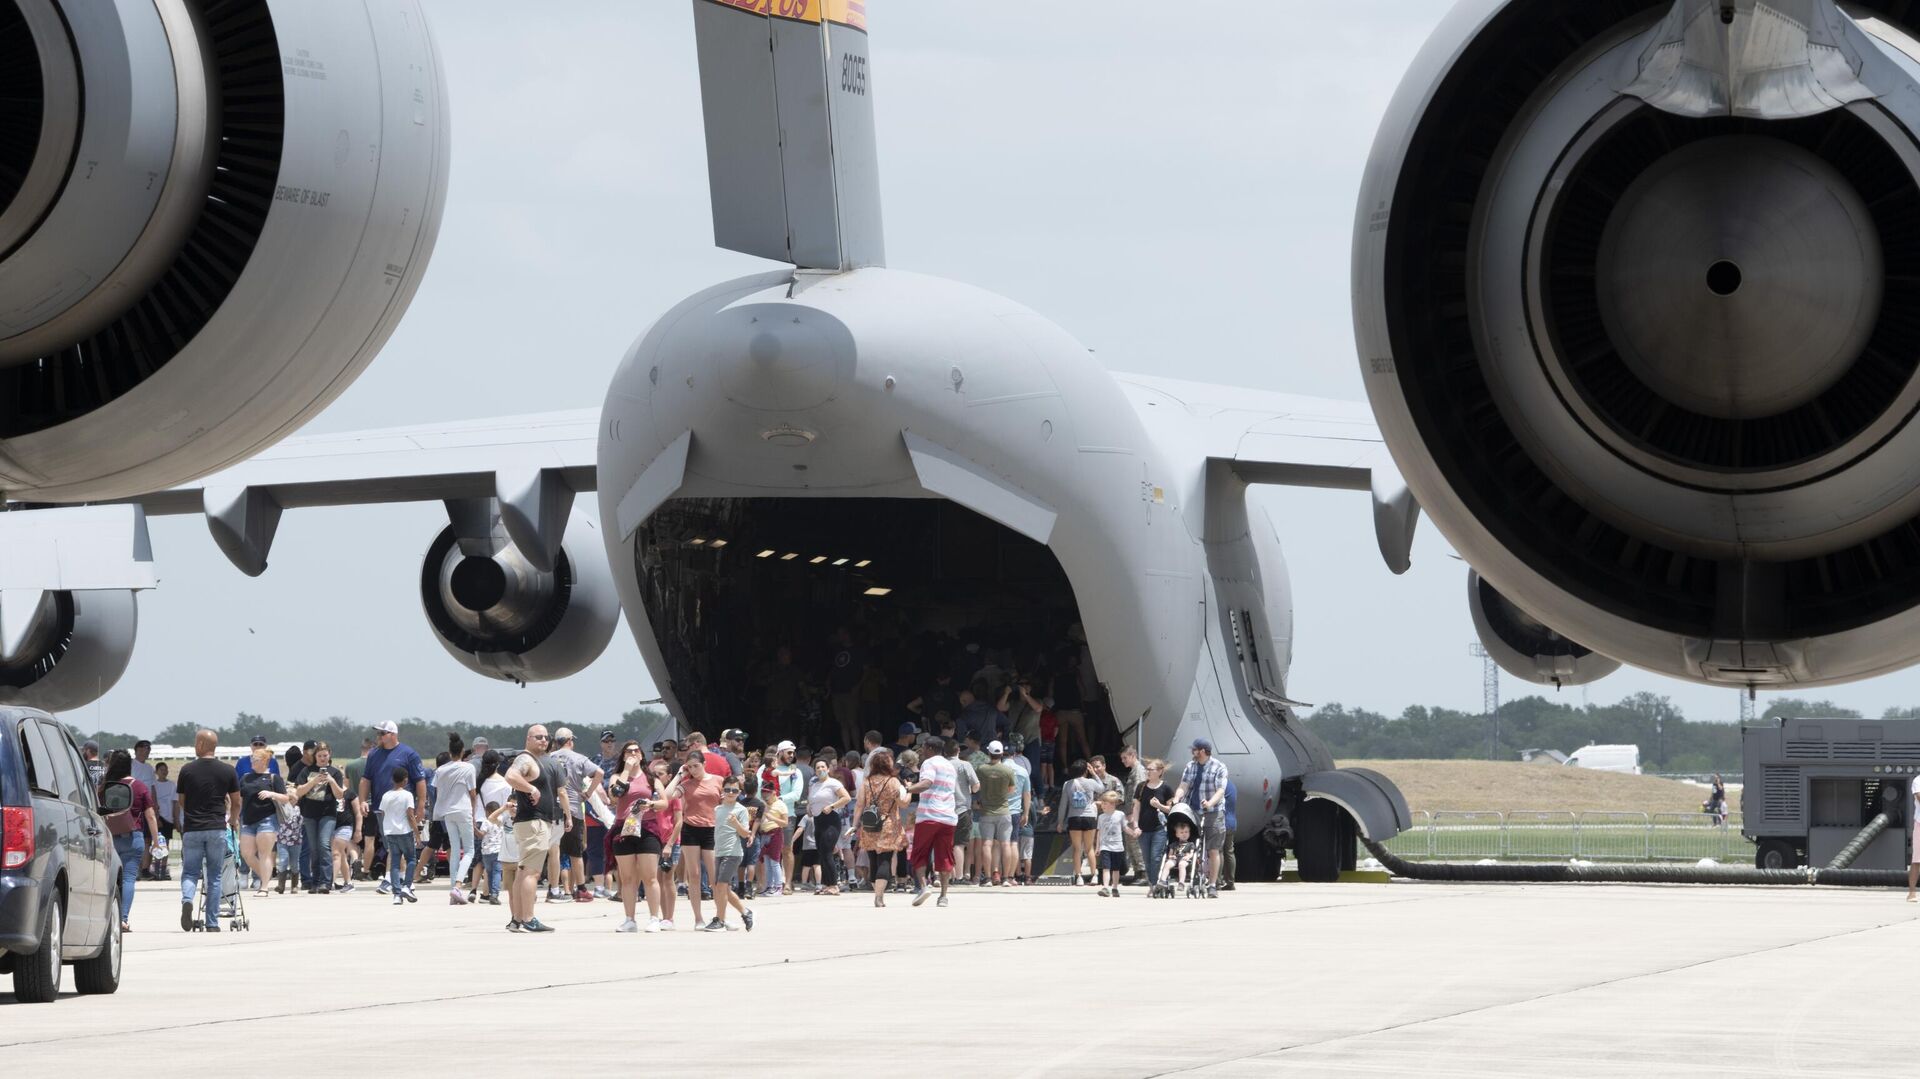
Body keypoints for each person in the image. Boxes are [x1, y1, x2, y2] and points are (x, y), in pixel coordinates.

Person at [503, 724, 566, 933]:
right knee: (532, 873)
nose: (543, 740)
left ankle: (518, 918)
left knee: (523, 872)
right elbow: (511, 776)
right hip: (534, 822)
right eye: (538, 737)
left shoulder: (534, 760)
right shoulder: (526, 759)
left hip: (529, 822)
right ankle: (528, 918)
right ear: (528, 738)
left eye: (546, 737)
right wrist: (531, 788)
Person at [176, 730, 241, 931]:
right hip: (216, 828)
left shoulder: (186, 770)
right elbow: (237, 801)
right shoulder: (228, 771)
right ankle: (212, 922)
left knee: (189, 872)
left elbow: (181, 801)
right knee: (215, 876)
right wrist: (232, 820)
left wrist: (192, 814)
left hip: (193, 828)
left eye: (196, 742)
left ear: (203, 744)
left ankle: (188, 899)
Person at [359, 721, 428, 895]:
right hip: (381, 808)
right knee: (391, 845)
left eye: (382, 734)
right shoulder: (374, 754)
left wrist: (421, 805)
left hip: (404, 808)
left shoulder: (408, 754)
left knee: (398, 844)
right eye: (378, 734)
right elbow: (366, 779)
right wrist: (362, 801)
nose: (379, 737)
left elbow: (420, 781)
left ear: (392, 734)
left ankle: (391, 879)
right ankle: (403, 880)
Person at [99, 750, 158, 932]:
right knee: (129, 879)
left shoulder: (104, 787)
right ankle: (123, 919)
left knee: (109, 880)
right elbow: (150, 816)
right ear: (129, 766)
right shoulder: (139, 786)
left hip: (109, 839)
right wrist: (156, 840)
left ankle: (108, 918)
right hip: (134, 837)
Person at [664, 751, 722, 928]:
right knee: (694, 875)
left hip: (712, 828)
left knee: (715, 877)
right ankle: (698, 918)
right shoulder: (686, 783)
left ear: (704, 763)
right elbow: (667, 795)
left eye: (696, 765)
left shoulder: (718, 780)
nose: (694, 770)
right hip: (691, 829)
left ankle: (720, 916)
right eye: (690, 766)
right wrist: (680, 774)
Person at [607, 741, 660, 931]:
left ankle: (654, 918)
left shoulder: (651, 778)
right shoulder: (616, 777)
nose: (633, 753)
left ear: (642, 754)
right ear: (623, 756)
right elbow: (614, 796)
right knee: (627, 878)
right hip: (625, 827)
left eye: (636, 750)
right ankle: (630, 919)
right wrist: (626, 771)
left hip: (647, 827)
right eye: (628, 751)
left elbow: (664, 801)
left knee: (650, 876)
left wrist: (651, 804)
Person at [1171, 738, 1229, 895]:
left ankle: (1212, 884)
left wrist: (1210, 803)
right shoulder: (1191, 766)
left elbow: (1221, 790)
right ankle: (1194, 877)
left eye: (1195, 749)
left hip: (1214, 812)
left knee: (1213, 849)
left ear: (1202, 751)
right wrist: (1177, 798)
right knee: (1193, 845)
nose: (1192, 752)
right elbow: (1184, 785)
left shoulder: (1219, 767)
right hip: (1194, 810)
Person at [906, 739, 960, 907]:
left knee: (919, 854)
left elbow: (927, 783)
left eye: (923, 747)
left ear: (929, 748)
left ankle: (923, 887)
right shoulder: (950, 766)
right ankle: (943, 896)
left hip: (929, 815)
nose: (921, 751)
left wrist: (908, 788)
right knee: (944, 857)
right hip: (948, 817)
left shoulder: (929, 763)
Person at [855, 747, 908, 907]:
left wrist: (854, 825)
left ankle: (877, 893)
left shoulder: (866, 782)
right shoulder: (893, 782)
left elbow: (859, 805)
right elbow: (904, 803)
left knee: (873, 860)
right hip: (888, 825)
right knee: (885, 860)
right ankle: (879, 896)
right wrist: (910, 790)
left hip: (869, 824)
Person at [291, 744, 346, 893]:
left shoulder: (335, 773)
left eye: (325, 755)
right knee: (313, 849)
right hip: (309, 813)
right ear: (315, 756)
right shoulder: (306, 771)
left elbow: (340, 795)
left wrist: (331, 781)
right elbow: (299, 791)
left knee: (323, 844)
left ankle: (326, 882)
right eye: (319, 756)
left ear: (329, 755)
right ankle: (315, 881)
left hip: (328, 813)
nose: (322, 758)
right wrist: (314, 781)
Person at [431, 735, 479, 904]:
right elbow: (473, 794)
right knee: (469, 851)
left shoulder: (441, 770)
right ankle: (458, 886)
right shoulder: (468, 768)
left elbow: (436, 789)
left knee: (454, 850)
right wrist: (473, 814)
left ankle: (453, 889)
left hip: (447, 812)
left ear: (450, 751)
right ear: (461, 751)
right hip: (463, 809)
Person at [238, 743, 291, 896]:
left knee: (264, 853)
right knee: (247, 853)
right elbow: (240, 797)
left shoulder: (273, 778)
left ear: (264, 761)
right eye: (252, 759)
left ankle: (264, 887)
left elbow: (286, 798)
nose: (252, 762)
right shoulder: (246, 778)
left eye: (255, 759)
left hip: (267, 820)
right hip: (248, 820)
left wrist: (271, 794)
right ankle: (266, 875)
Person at [708, 778, 755, 932]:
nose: (730, 793)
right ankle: (745, 912)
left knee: (721, 886)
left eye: (734, 790)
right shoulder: (718, 809)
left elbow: (745, 834)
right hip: (719, 852)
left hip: (732, 853)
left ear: (739, 793)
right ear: (722, 790)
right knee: (722, 888)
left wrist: (736, 824)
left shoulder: (741, 810)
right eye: (727, 789)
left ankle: (720, 920)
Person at [973, 741, 1017, 886]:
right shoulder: (1007, 771)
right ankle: (1006, 878)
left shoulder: (981, 769)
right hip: (1004, 811)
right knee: (1005, 844)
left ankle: (987, 878)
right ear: (1001, 754)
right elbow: (1012, 790)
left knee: (987, 844)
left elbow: (975, 787)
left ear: (988, 753)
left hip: (986, 812)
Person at [806, 756, 850, 896]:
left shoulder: (833, 783)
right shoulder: (814, 784)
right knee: (821, 852)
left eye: (823, 767)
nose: (820, 769)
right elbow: (811, 800)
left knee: (827, 850)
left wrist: (832, 806)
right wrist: (809, 808)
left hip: (831, 819)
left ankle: (834, 884)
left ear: (828, 769)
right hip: (818, 819)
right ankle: (826, 883)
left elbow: (846, 798)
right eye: (817, 767)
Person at [378, 766, 420, 905]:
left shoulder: (386, 795)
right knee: (411, 859)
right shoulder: (407, 795)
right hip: (404, 831)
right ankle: (407, 886)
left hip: (390, 832)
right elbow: (410, 815)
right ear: (405, 780)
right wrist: (417, 834)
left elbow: (383, 813)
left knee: (395, 863)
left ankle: (396, 894)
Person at [1058, 758, 1102, 885]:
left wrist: (1060, 822)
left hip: (1074, 818)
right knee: (1089, 849)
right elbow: (1101, 788)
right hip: (1089, 817)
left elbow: (1063, 805)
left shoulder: (1067, 784)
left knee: (1077, 849)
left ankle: (1079, 877)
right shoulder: (1090, 782)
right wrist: (1094, 774)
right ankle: (1094, 875)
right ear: (1085, 771)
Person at [1133, 758, 1174, 890]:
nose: (1147, 771)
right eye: (1147, 769)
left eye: (1151, 769)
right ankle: (1152, 884)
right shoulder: (1141, 787)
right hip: (1143, 829)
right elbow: (1136, 807)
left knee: (1155, 857)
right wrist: (1135, 825)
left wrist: (1159, 805)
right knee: (1147, 858)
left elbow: (1171, 809)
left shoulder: (1166, 788)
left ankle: (1155, 884)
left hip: (1160, 828)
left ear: (1160, 771)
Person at [475, 750, 508, 905]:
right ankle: (490, 892)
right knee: (495, 863)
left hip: (480, 822)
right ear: (498, 764)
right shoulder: (504, 783)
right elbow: (506, 809)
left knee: (482, 861)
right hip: (497, 825)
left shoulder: (479, 782)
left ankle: (482, 891)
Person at [1117, 745, 1147, 884]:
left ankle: (1143, 874)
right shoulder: (1133, 771)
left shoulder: (1138, 771)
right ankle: (1137, 872)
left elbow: (1138, 793)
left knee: (1136, 843)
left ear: (1133, 755)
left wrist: (1133, 814)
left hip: (1135, 813)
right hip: (1129, 812)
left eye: (1125, 757)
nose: (1123, 761)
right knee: (1130, 844)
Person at [1095, 790, 1129, 897]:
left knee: (1116, 869)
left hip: (1118, 846)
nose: (1103, 805)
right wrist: (1097, 847)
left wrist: (1133, 833)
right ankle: (1105, 887)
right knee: (1106, 868)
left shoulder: (1120, 815)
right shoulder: (1101, 817)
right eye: (1102, 803)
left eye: (1105, 803)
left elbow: (1125, 827)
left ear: (1113, 804)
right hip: (1105, 846)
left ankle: (1115, 887)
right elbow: (1099, 832)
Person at [150, 762, 177, 881]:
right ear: (156, 772)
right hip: (156, 817)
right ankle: (155, 870)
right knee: (155, 844)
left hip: (168, 818)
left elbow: (174, 802)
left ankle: (163, 871)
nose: (164, 772)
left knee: (165, 845)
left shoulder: (172, 785)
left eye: (165, 770)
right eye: (161, 770)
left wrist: (175, 819)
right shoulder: (153, 784)